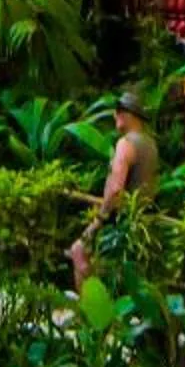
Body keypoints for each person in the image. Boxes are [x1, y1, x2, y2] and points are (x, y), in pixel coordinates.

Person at [69, 90, 161, 285]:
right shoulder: (150, 145)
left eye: (117, 113)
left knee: (79, 251)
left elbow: (116, 189)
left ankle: (89, 312)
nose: (114, 118)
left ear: (126, 114)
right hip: (143, 224)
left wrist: (98, 221)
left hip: (120, 222)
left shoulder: (126, 144)